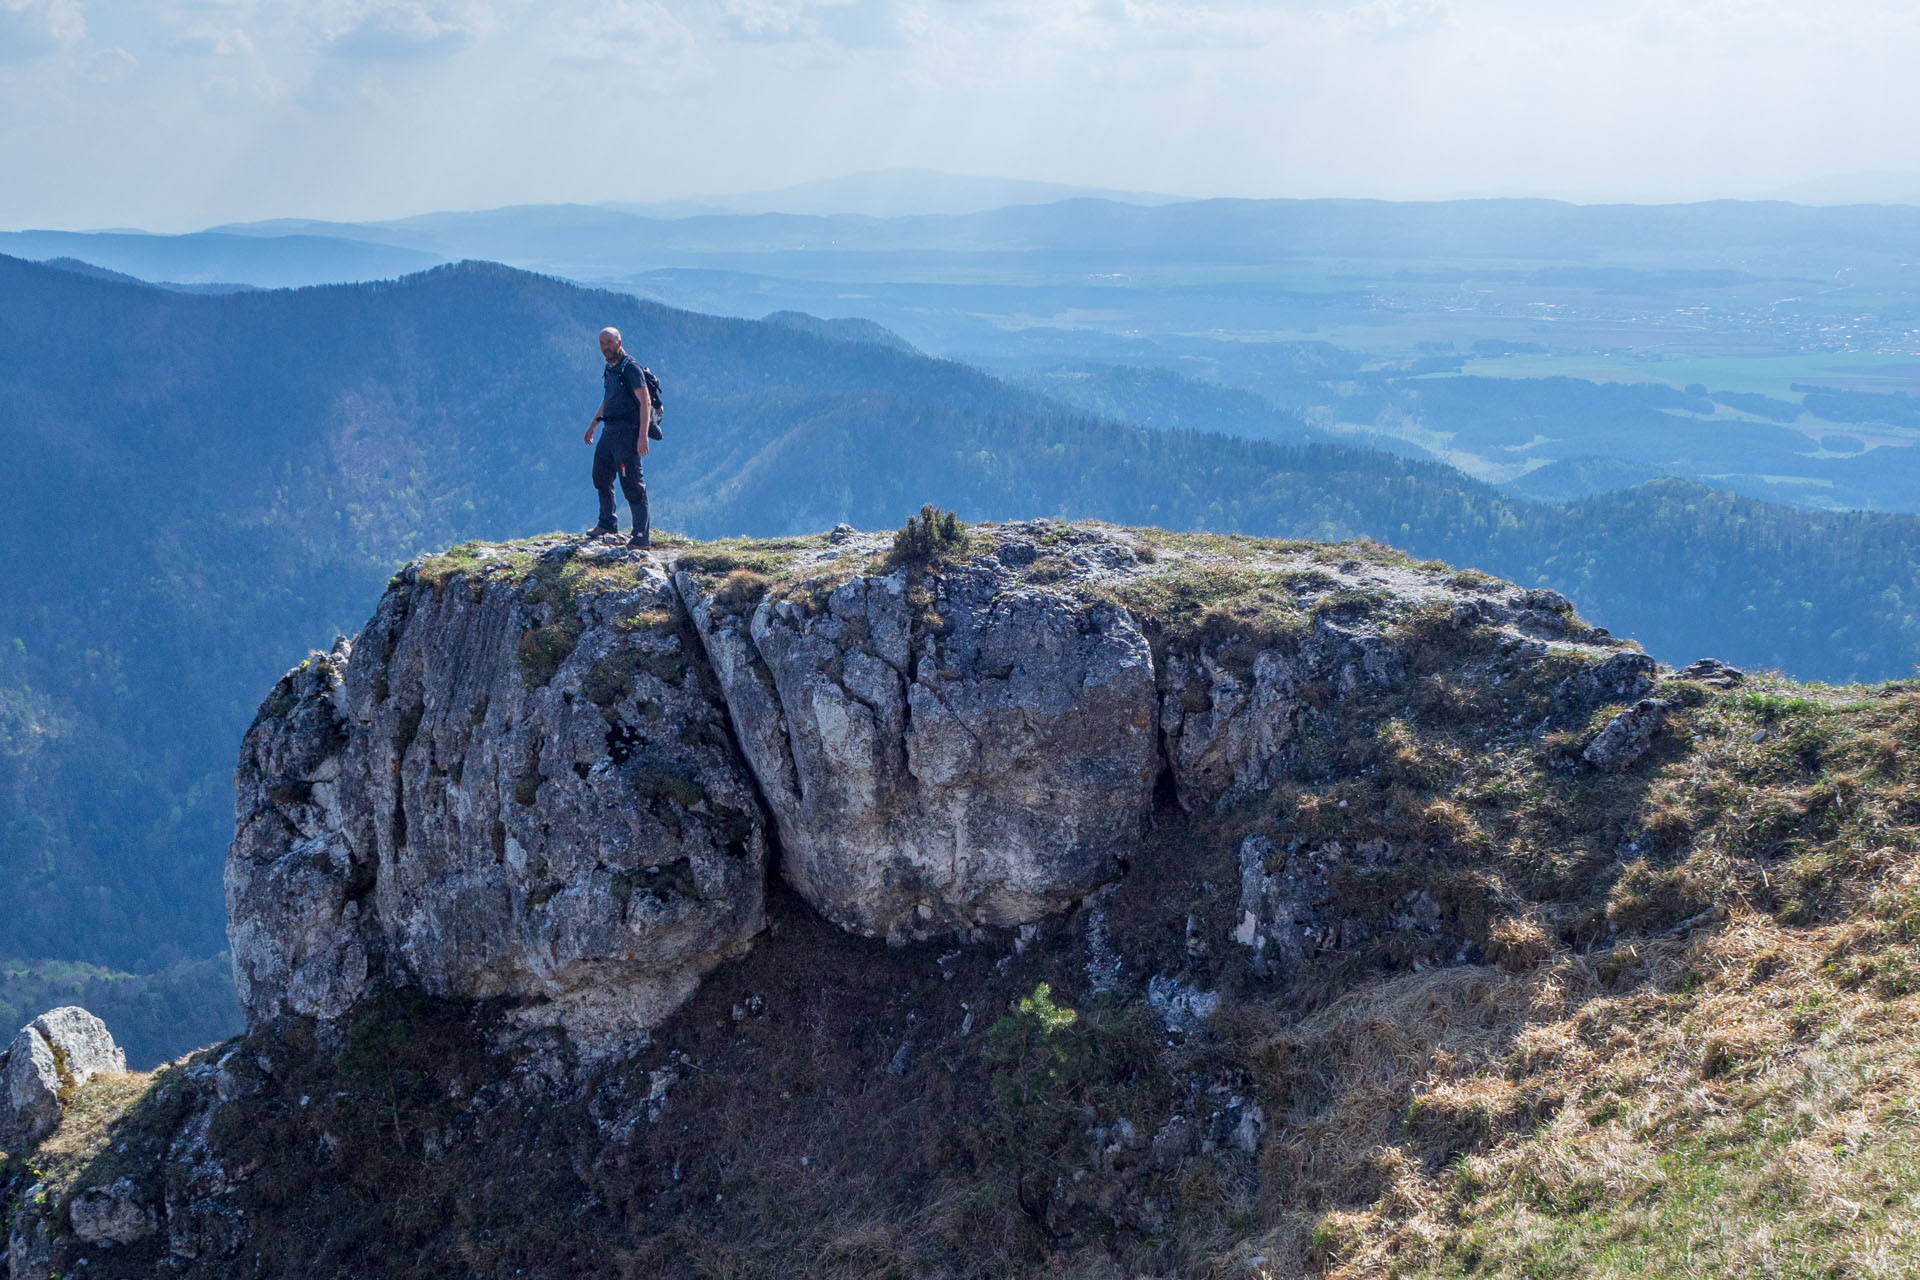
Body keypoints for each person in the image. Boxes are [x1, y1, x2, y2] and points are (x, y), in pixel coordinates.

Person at [584, 325, 652, 548]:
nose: (605, 347)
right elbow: (608, 398)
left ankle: (641, 537)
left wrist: (642, 436)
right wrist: (593, 426)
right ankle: (607, 522)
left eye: (609, 343)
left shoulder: (630, 368)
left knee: (632, 485)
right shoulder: (611, 368)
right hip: (609, 432)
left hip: (627, 435)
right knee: (600, 476)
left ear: (619, 343)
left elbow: (645, 402)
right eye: (602, 343)